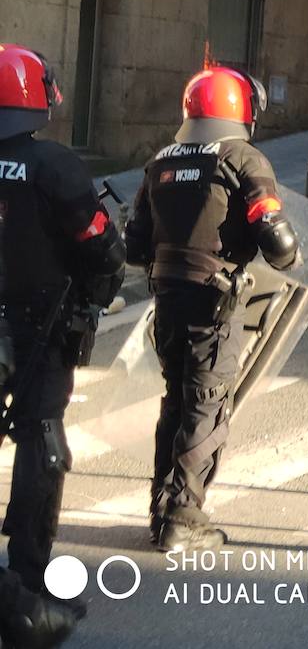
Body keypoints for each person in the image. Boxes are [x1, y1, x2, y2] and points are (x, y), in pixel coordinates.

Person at [124, 66, 299, 552]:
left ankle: (162, 508)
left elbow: (134, 244)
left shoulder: (160, 161)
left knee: (176, 400)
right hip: (213, 299)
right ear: (241, 109)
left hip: (167, 298)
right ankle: (184, 517)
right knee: (206, 403)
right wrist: (288, 256)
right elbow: (277, 238)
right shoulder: (242, 158)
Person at [0, 44, 126, 647]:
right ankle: (26, 582)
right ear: (36, 95)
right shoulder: (52, 165)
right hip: (37, 331)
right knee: (41, 445)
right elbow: (99, 243)